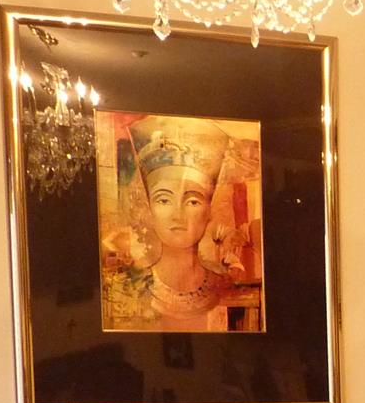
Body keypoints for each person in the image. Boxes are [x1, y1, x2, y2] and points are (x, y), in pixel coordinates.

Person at [101, 115, 260, 332]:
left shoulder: (224, 285)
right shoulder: (127, 290)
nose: (178, 215)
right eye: (164, 200)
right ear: (148, 208)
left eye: (193, 201)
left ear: (208, 211)